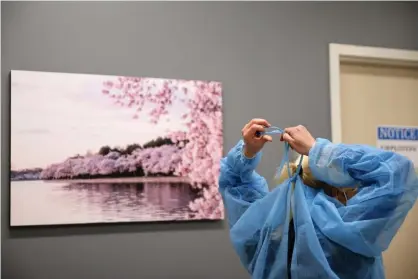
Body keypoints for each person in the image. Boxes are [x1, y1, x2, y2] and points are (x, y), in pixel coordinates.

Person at [219, 118, 418, 279]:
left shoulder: (267, 239)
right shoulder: (352, 231)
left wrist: (247, 152)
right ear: (341, 188)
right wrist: (318, 150)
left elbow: (234, 184)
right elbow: (399, 174)